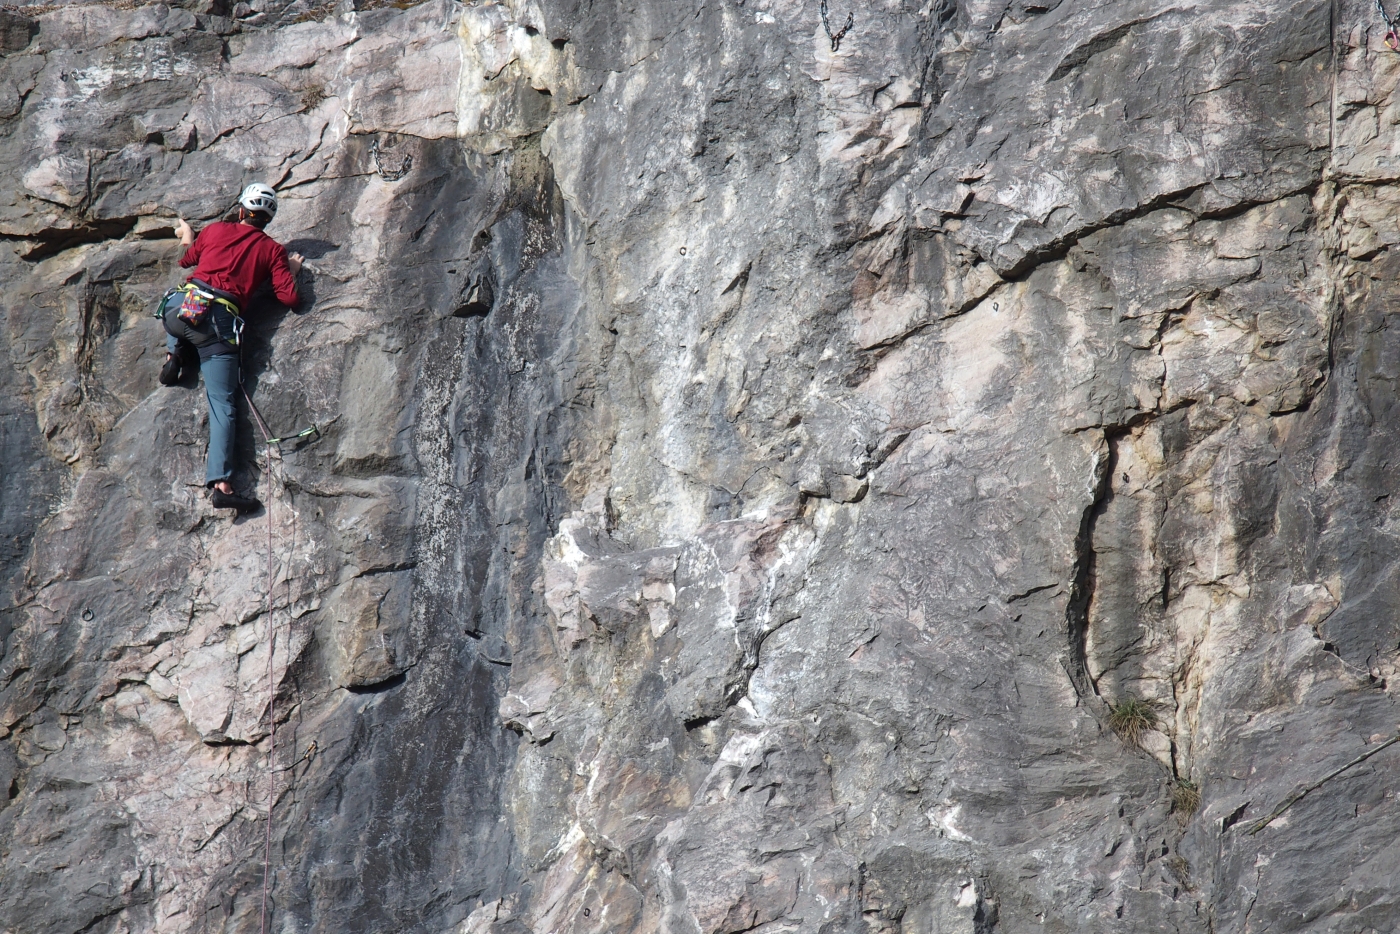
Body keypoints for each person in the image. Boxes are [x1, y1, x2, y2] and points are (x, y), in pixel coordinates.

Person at [158, 183, 304, 513]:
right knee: (222, 404)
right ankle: (222, 486)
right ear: (267, 220)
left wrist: (188, 234)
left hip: (182, 311)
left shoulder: (214, 231)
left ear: (240, 210)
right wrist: (291, 272)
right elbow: (290, 299)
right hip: (219, 327)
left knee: (177, 295)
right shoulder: (272, 251)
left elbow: (186, 262)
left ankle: (173, 353)